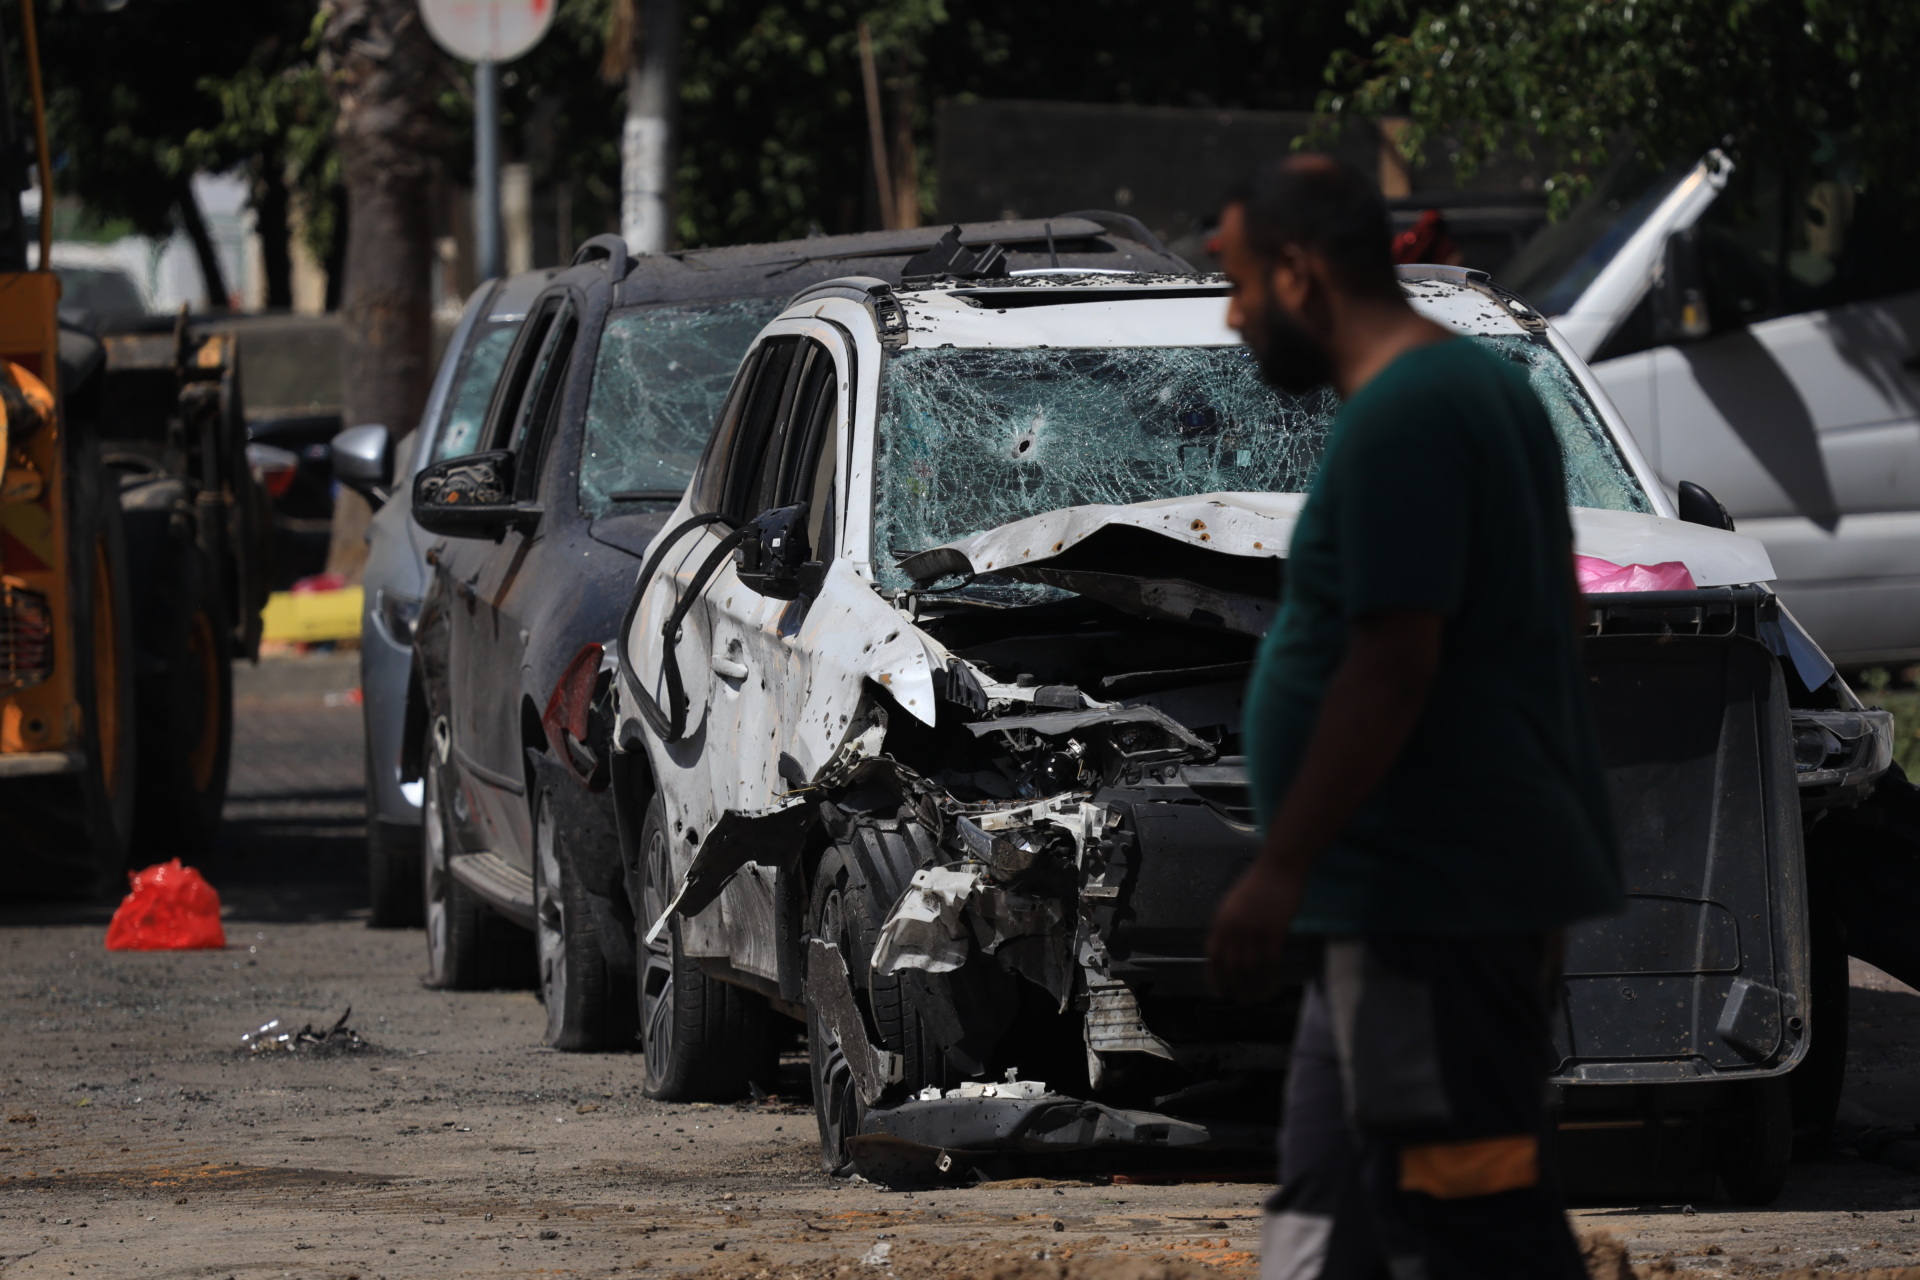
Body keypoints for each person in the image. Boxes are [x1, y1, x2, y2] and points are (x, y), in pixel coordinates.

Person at [1206, 155, 1624, 1279]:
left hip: (1432, 895)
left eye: (1240, 283)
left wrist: (1279, 865)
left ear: (1300, 274)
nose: (1235, 315)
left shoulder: (1410, 417)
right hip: (1411, 895)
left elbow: (1392, 662)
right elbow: (1559, 622)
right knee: (1328, 1191)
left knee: (1467, 1199)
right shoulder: (1473, 388)